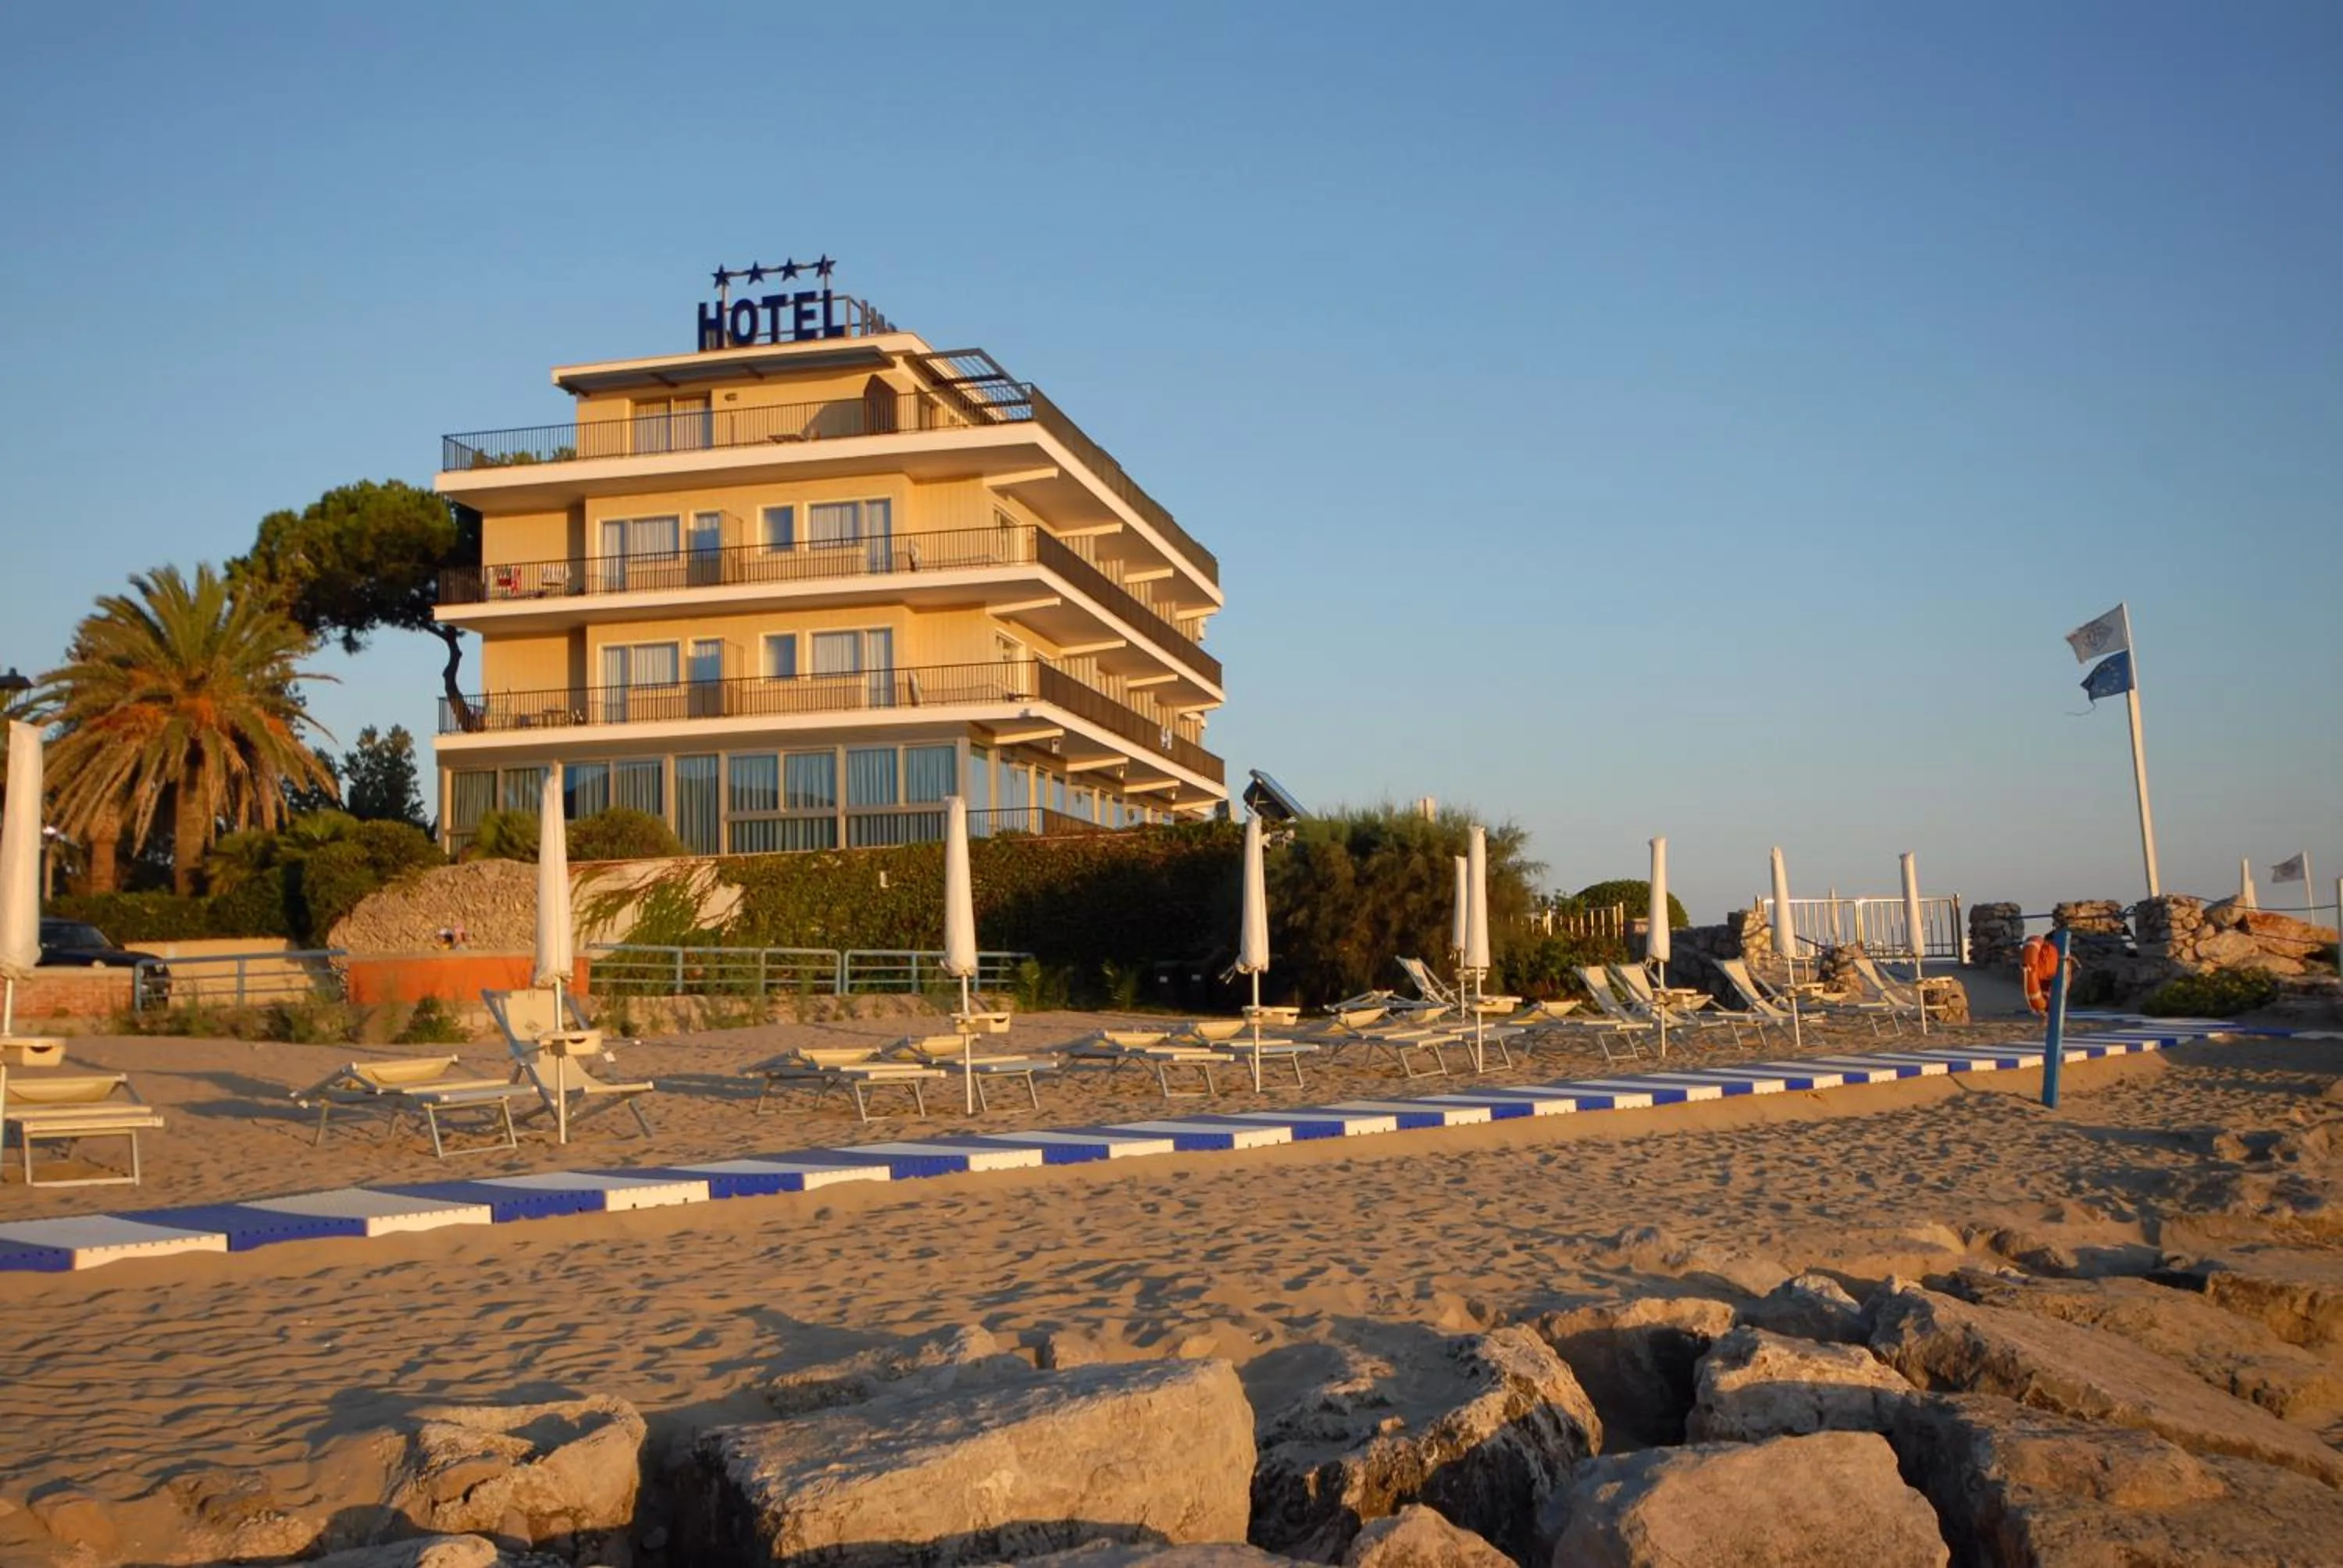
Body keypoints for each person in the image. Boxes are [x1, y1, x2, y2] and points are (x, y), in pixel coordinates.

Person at [2020, 932, 2077, 1017]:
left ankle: (2046, 1005)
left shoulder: (2053, 955)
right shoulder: (2048, 953)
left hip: (2045, 978)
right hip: (2042, 977)